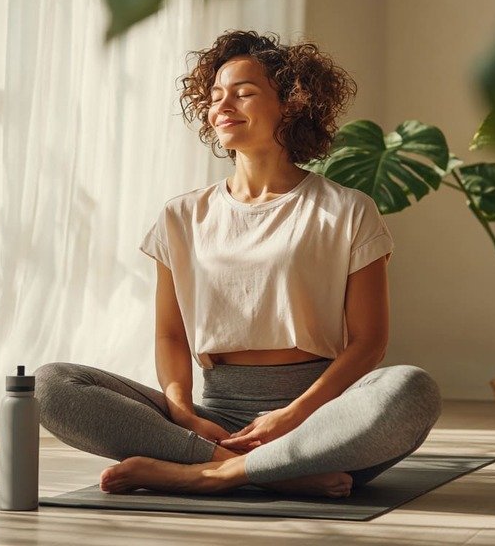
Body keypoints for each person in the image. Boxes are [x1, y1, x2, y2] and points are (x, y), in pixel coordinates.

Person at [35, 30, 441, 499]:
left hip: (320, 418)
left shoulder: (347, 210)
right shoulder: (182, 216)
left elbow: (369, 343)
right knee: (49, 385)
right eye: (215, 97)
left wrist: (294, 416)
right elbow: (171, 335)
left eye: (244, 93)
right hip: (214, 420)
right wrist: (183, 412)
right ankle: (263, 470)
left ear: (291, 103)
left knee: (412, 389)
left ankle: (207, 474)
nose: (223, 105)